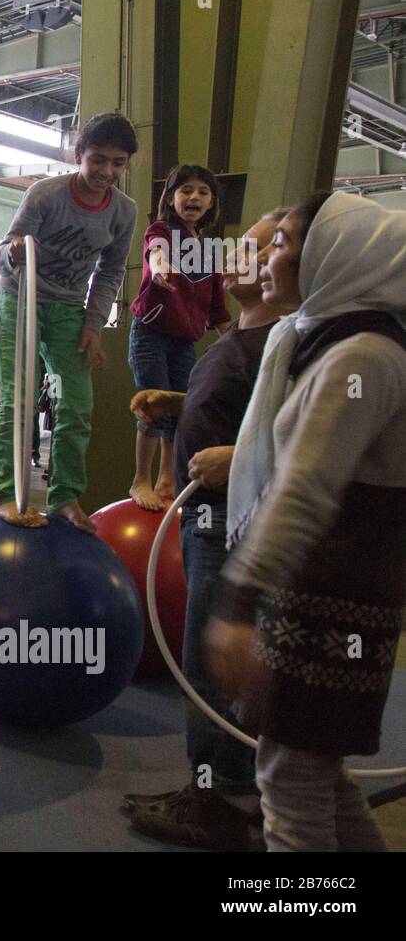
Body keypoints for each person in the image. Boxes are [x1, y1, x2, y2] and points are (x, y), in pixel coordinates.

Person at [205, 191, 406, 852]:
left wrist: (238, 596)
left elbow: (305, 490)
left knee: (290, 786)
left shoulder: (363, 356)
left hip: (329, 600)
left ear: (333, 254)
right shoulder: (331, 341)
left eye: (284, 243)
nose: (267, 257)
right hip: (329, 594)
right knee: (315, 775)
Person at [119, 209, 286, 850]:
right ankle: (216, 788)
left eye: (263, 245)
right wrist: (180, 405)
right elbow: (252, 408)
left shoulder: (290, 342)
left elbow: (305, 437)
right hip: (207, 517)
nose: (239, 253)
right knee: (206, 658)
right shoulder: (247, 336)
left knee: (211, 663)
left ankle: (218, 802)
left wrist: (237, 459)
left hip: (234, 520)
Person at [0, 112, 139, 532]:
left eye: (117, 162)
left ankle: (66, 497)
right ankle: (3, 494)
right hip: (22, 299)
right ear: (79, 155)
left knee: (76, 405)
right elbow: (2, 252)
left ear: (127, 164)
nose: (106, 171)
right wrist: (14, 252)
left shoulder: (124, 212)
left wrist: (94, 325)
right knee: (17, 400)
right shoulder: (45, 194)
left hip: (71, 312)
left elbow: (110, 273)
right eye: (98, 159)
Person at [128, 165, 231, 510]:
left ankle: (167, 477)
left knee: (182, 409)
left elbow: (218, 308)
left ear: (212, 203)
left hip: (185, 341)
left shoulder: (209, 250)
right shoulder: (161, 231)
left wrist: (241, 339)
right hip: (151, 334)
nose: (194, 197)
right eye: (186, 190)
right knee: (153, 407)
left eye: (203, 192)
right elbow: (154, 249)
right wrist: (158, 266)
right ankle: (140, 479)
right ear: (171, 199)